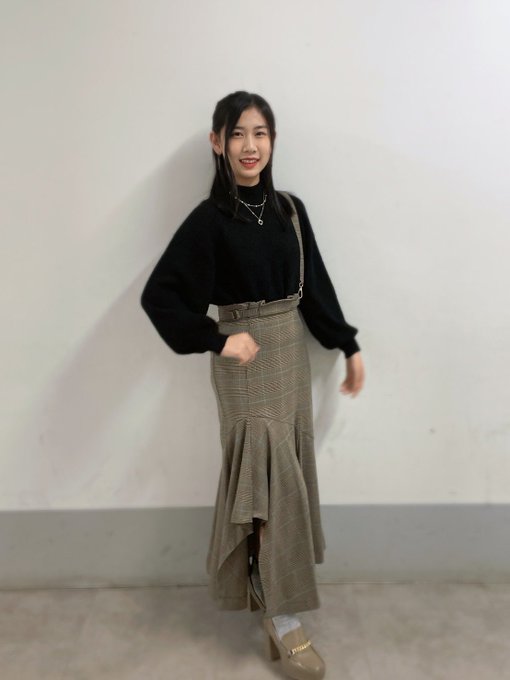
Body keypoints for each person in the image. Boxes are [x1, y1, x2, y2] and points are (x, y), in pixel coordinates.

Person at [140, 90, 365, 680]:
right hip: (243, 364)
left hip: (288, 352)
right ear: (217, 142)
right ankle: (283, 619)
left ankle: (273, 597)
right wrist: (217, 338)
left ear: (273, 141)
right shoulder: (209, 219)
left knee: (285, 479)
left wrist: (346, 344)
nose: (249, 145)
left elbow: (315, 286)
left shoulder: (290, 210)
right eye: (237, 133)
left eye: (260, 133)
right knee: (267, 484)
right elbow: (160, 297)